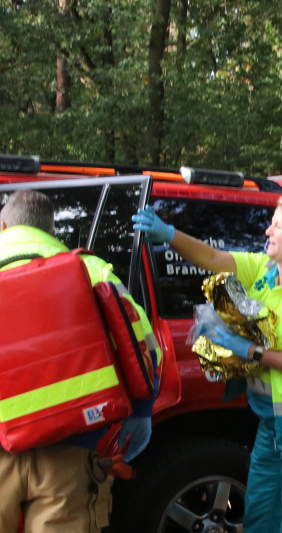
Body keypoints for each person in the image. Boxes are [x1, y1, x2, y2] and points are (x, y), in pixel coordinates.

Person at [132, 195, 282, 533]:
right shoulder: (265, 270)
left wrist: (249, 351)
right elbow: (213, 257)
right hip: (272, 423)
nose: (267, 230)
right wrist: (169, 234)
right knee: (260, 518)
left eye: (277, 225)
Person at [0, 190, 162, 533]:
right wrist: (141, 410)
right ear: (52, 230)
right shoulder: (89, 268)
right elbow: (145, 347)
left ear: (3, 226)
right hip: (72, 447)